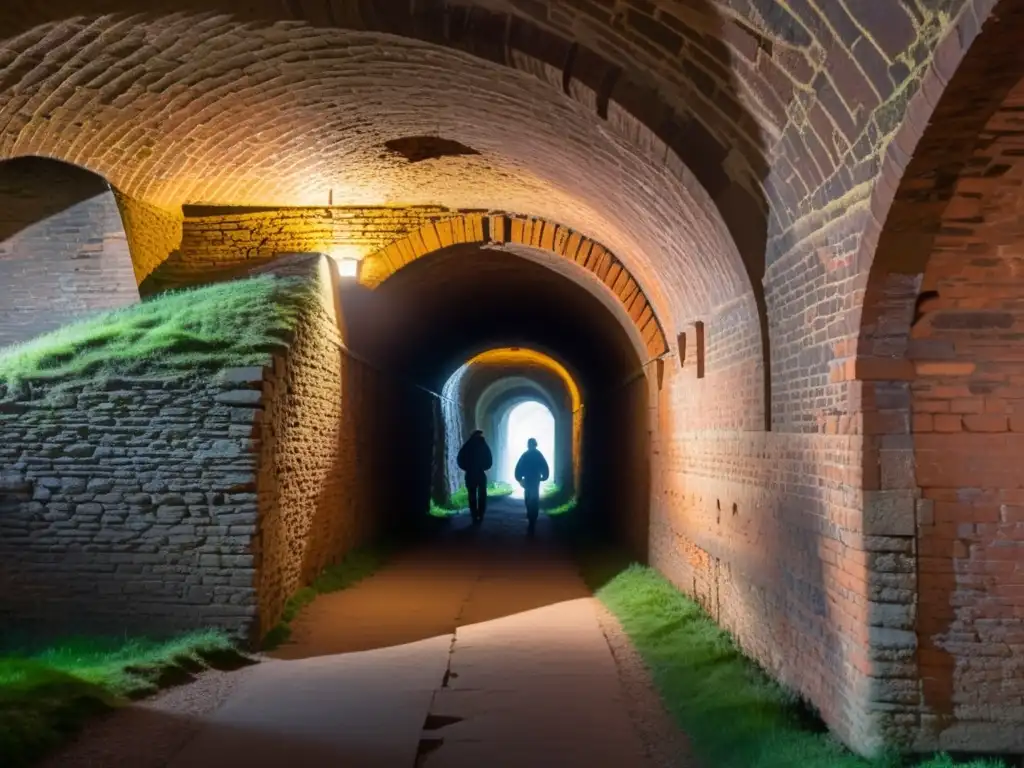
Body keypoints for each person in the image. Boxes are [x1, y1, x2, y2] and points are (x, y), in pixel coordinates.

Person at [514, 437, 549, 535]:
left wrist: (519, 477)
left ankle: (530, 514)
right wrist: (544, 476)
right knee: (535, 496)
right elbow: (544, 466)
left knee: (528, 496)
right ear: (535, 445)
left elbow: (519, 467)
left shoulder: (525, 455)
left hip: (528, 479)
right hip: (535, 478)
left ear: (528, 445)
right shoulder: (538, 455)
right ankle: (534, 516)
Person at [457, 430, 492, 525]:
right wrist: (482, 467)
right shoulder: (483, 446)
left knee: (472, 494)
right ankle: (480, 514)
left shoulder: (467, 446)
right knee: (482, 495)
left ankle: (474, 515)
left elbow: (460, 459)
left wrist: (467, 468)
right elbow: (489, 461)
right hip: (480, 474)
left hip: (470, 474)